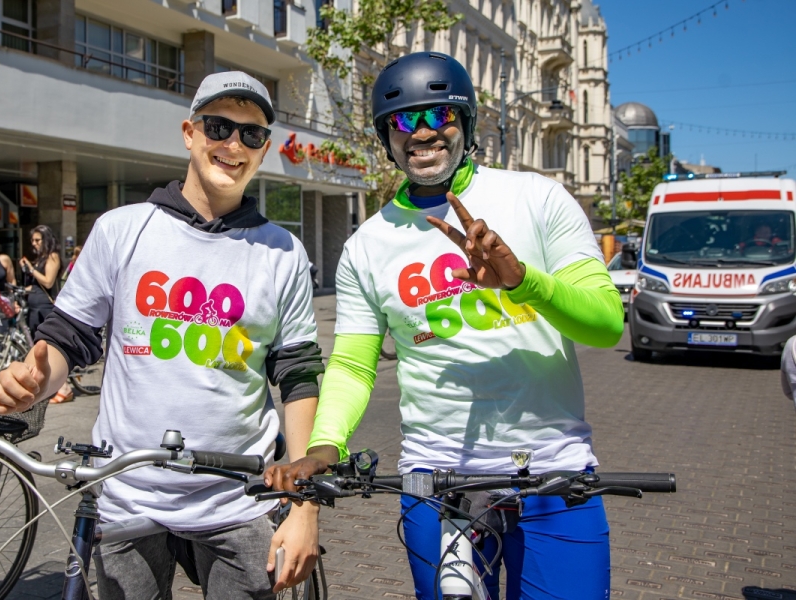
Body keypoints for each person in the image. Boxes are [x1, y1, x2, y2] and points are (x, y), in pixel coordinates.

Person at [266, 52, 625, 599]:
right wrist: (325, 446)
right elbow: (354, 365)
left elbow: (605, 323)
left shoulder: (536, 198)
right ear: (386, 136)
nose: (422, 132)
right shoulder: (367, 244)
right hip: (438, 482)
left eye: (440, 115)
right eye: (403, 120)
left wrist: (523, 282)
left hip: (554, 474)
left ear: (467, 122)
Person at [0, 71, 324, 599]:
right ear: (190, 133)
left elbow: (298, 373)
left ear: (264, 149)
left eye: (252, 134)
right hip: (128, 493)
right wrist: (33, 381)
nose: (234, 144)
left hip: (238, 498)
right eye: (218, 127)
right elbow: (68, 338)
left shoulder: (283, 251)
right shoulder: (121, 229)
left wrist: (304, 503)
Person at [19, 225, 74, 403]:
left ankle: (64, 387)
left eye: (37, 240)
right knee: (37, 346)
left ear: (46, 240)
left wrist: (31, 268)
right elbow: (36, 285)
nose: (34, 244)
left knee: (49, 346)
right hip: (34, 306)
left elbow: (48, 282)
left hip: (45, 306)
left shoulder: (52, 257)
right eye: (32, 241)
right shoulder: (41, 258)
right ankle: (51, 384)